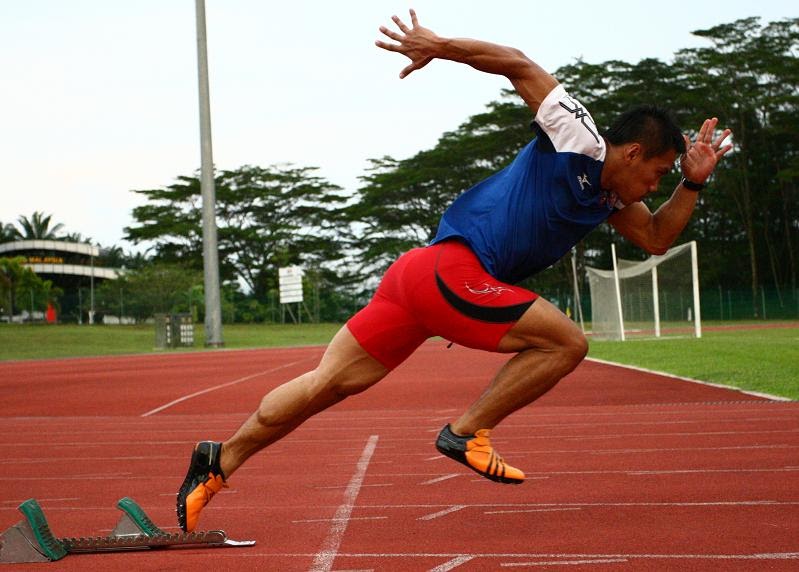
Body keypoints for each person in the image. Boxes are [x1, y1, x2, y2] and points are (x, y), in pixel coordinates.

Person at [176, 9, 732, 532]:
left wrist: (694, 182)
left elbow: (657, 237)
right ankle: (466, 433)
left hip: (420, 277)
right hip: (450, 268)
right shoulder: (579, 138)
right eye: (659, 173)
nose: (656, 187)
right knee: (566, 343)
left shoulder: (611, 200)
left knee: (331, 383)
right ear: (631, 153)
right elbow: (518, 63)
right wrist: (439, 47)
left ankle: (217, 461)